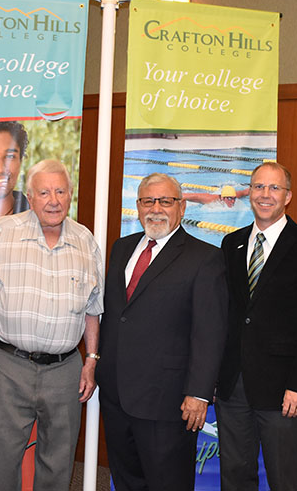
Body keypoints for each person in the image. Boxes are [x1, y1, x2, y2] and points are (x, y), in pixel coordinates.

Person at [0, 159, 104, 491]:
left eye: (60, 191)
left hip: (65, 370)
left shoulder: (86, 241)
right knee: (1, 463)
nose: (53, 200)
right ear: (29, 198)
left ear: (71, 194)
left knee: (58, 464)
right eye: (44, 192)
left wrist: (90, 362)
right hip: (6, 365)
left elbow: (92, 310)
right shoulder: (3, 232)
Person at [96, 173, 228, 491]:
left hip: (167, 401)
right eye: (147, 201)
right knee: (126, 480)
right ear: (138, 207)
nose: (156, 208)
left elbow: (210, 332)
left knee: (167, 484)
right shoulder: (122, 248)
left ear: (181, 208)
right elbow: (117, 316)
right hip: (116, 394)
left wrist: (198, 394)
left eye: (166, 201)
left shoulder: (205, 258)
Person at [215, 162, 297, 491]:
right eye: (258, 187)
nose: (265, 195)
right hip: (233, 384)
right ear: (249, 193)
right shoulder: (232, 245)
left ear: (288, 196)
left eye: (274, 188)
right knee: (235, 475)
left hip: (284, 389)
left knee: (283, 478)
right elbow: (227, 315)